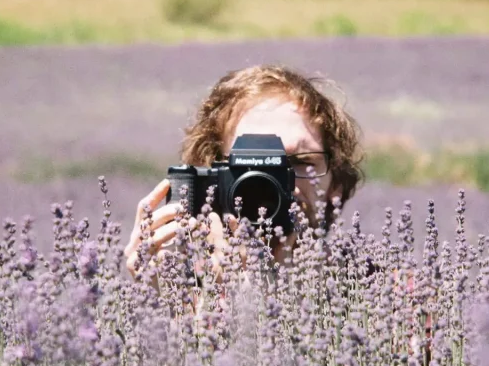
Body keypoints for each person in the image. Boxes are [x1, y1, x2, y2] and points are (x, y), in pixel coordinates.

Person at [124, 64, 364, 282]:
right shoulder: (185, 291)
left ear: (337, 184)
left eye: (301, 161)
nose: (273, 184)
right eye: (252, 165)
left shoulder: (388, 295)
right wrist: (168, 299)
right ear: (214, 182)